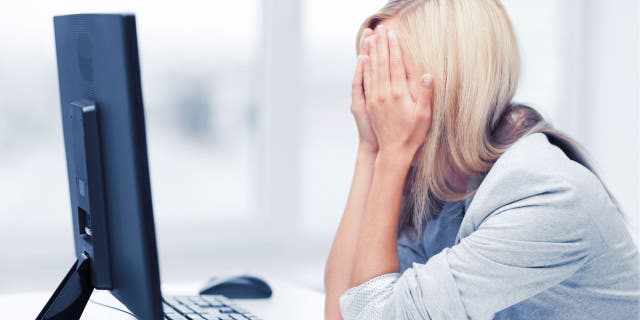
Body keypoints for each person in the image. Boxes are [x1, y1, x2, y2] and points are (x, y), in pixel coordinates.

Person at [323, 0, 640, 319]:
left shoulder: (544, 195)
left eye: (390, 76)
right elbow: (341, 312)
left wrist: (390, 156)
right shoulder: (445, 183)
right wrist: (371, 148)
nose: (378, 99)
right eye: (372, 75)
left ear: (455, 84)